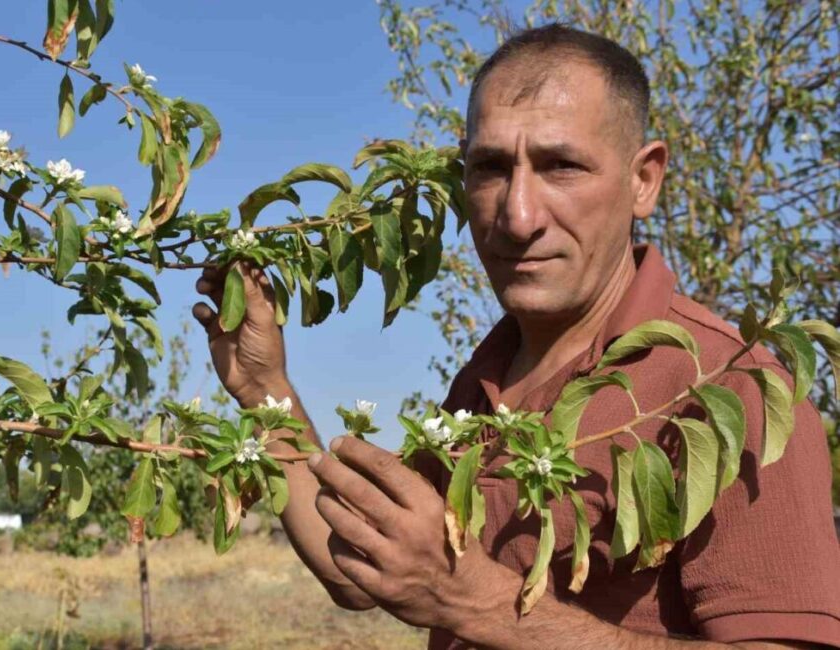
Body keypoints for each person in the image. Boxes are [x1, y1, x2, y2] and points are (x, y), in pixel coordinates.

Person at [191, 24, 840, 649]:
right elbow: (356, 567)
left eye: (562, 166)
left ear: (644, 181)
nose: (518, 216)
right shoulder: (483, 382)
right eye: (492, 168)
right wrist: (262, 386)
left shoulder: (728, 389)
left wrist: (477, 604)